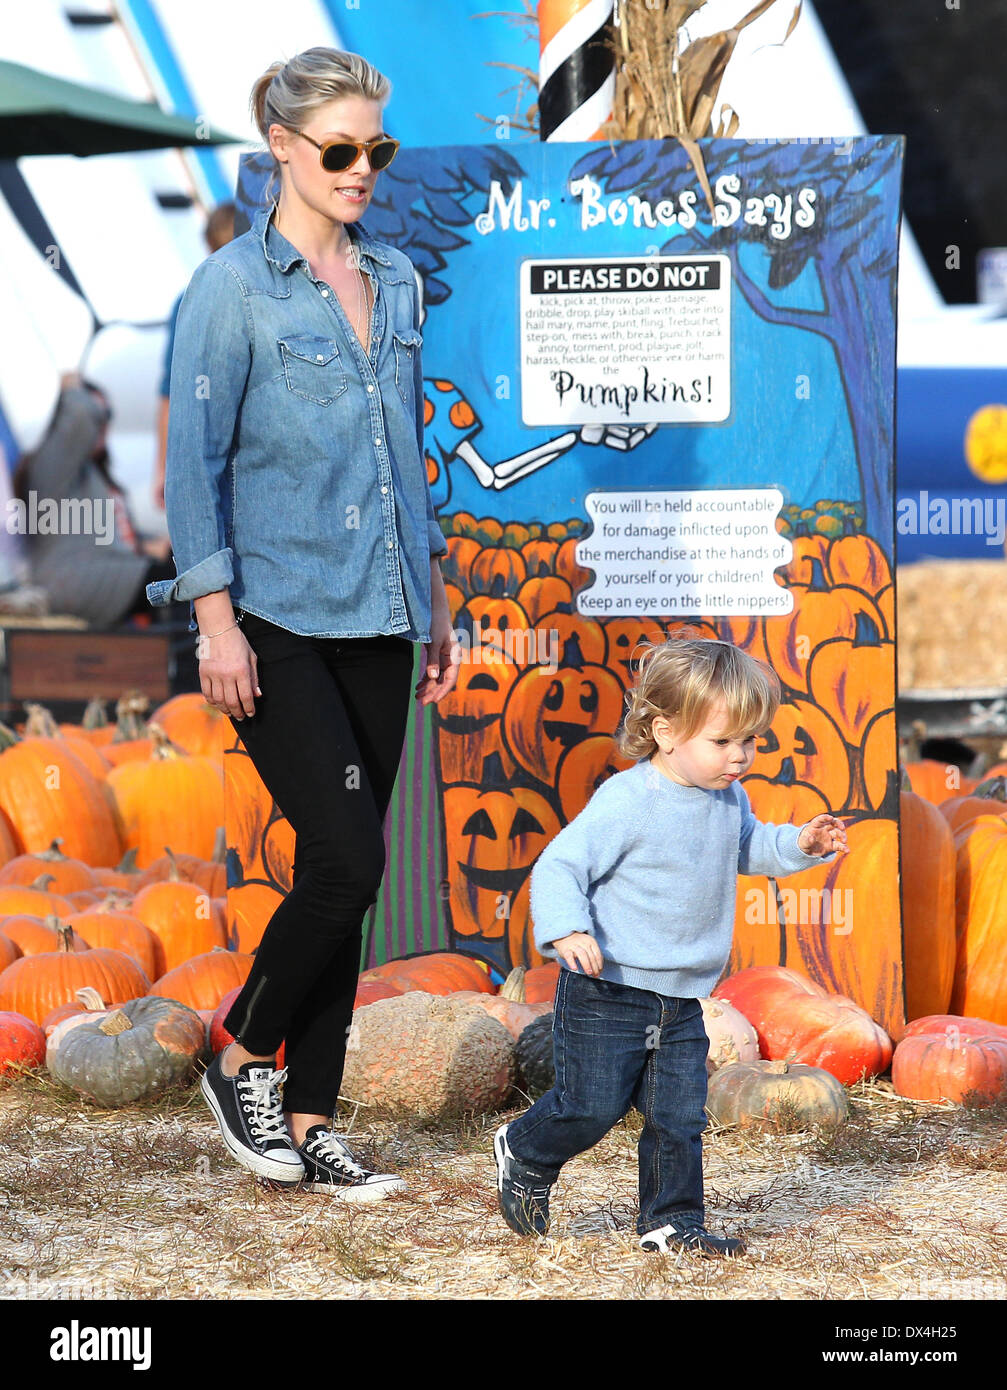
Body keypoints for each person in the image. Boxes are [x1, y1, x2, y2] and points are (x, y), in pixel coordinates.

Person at [146, 47, 460, 1199]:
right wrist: (215, 625)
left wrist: (435, 601)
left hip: (382, 610)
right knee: (346, 856)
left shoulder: (399, 279)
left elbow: (404, 465)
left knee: (354, 877)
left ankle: (313, 1116)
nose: (361, 169)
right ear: (280, 148)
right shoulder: (229, 290)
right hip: (274, 614)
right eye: (338, 149)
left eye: (376, 148)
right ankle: (239, 1056)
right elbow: (193, 473)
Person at [493, 637, 848, 1254]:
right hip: (611, 988)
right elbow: (560, 865)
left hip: (681, 997)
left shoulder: (725, 796)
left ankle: (670, 1221)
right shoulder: (630, 801)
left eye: (751, 740)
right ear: (664, 731)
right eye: (723, 742)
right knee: (591, 1105)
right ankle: (525, 1147)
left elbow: (748, 847)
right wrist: (567, 930)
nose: (740, 757)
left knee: (677, 1118)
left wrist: (799, 846)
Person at [11, 372, 174, 625]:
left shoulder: (93, 473)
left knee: (181, 571)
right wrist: (70, 385)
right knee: (182, 580)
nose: (100, 422)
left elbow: (107, 537)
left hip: (108, 572)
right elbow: (80, 416)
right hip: (73, 580)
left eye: (107, 416)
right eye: (97, 415)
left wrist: (149, 545)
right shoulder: (51, 466)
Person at [152, 202, 235, 511]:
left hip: (208, 455)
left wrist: (163, 469)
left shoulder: (190, 301)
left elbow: (171, 394)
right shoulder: (279, 297)